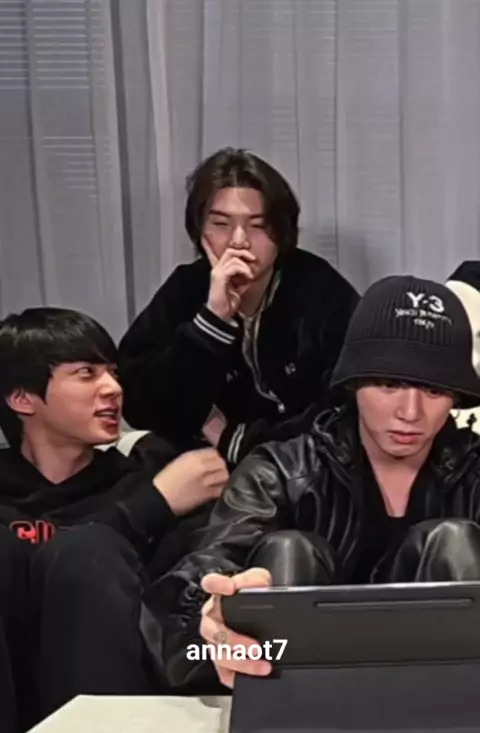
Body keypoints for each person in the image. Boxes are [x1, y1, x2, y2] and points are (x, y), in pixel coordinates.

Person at [141, 274, 480, 691]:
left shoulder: (475, 474)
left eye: (433, 390)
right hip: (296, 691)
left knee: (454, 543)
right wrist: (210, 629)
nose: (410, 412)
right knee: (289, 552)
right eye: (389, 384)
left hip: (443, 700)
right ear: (354, 383)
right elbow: (198, 584)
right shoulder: (281, 471)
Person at [0, 307, 228, 733]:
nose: (113, 389)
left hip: (112, 714)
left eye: (113, 373)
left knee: (89, 554)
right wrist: (148, 508)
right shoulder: (156, 496)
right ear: (23, 399)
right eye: (86, 373)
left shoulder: (148, 478)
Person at [118, 147, 359, 468]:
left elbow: (350, 402)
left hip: (305, 465)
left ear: (282, 232)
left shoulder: (319, 288)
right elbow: (140, 403)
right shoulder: (186, 288)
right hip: (208, 466)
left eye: (258, 225)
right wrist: (212, 320)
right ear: (199, 230)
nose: (239, 241)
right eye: (221, 224)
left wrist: (239, 443)